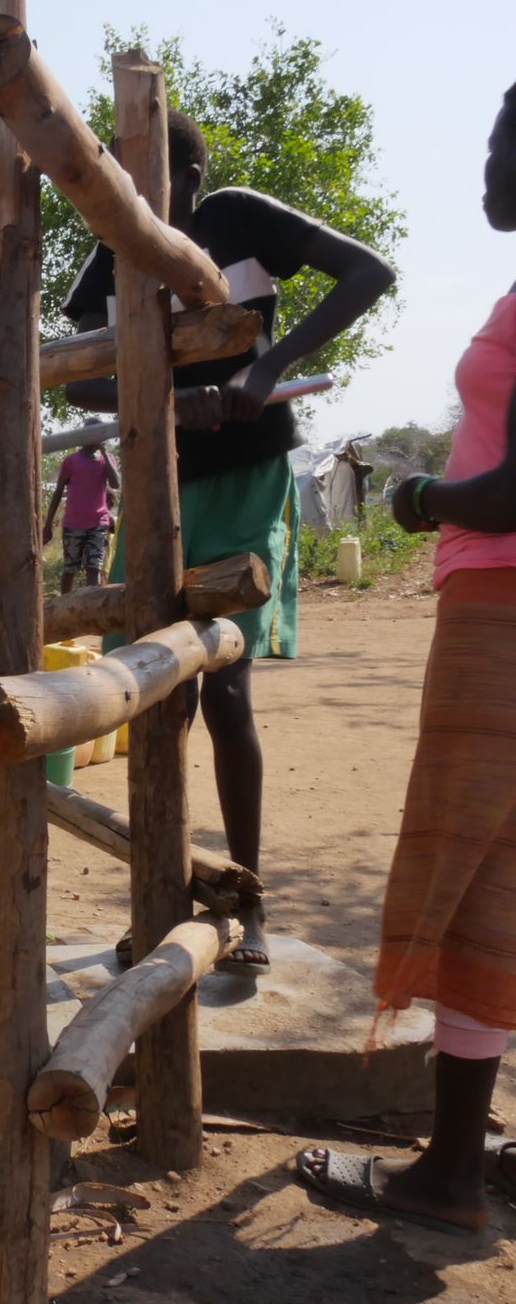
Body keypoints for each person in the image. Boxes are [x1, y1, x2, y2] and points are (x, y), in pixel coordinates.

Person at [62, 110, 395, 968]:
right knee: (155, 691)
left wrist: (267, 365)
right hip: (158, 482)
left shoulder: (240, 217)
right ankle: (163, 896)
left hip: (246, 478)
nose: (124, 189)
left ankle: (249, 900)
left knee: (225, 687)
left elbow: (369, 271)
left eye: (140, 171)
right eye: (114, 173)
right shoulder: (112, 248)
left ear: (189, 177)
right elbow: (79, 381)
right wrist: (166, 399)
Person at [296, 85, 516, 1232]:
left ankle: (450, 1176)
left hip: (503, 600)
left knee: (476, 876)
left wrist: (424, 496)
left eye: (503, 144)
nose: (489, 166)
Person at [43, 440, 121, 593]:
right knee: (70, 569)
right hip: (74, 524)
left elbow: (116, 484)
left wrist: (105, 453)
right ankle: (64, 603)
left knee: (94, 568)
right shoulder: (71, 461)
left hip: (98, 523)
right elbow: (58, 492)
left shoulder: (107, 460)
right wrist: (48, 525)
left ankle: (92, 604)